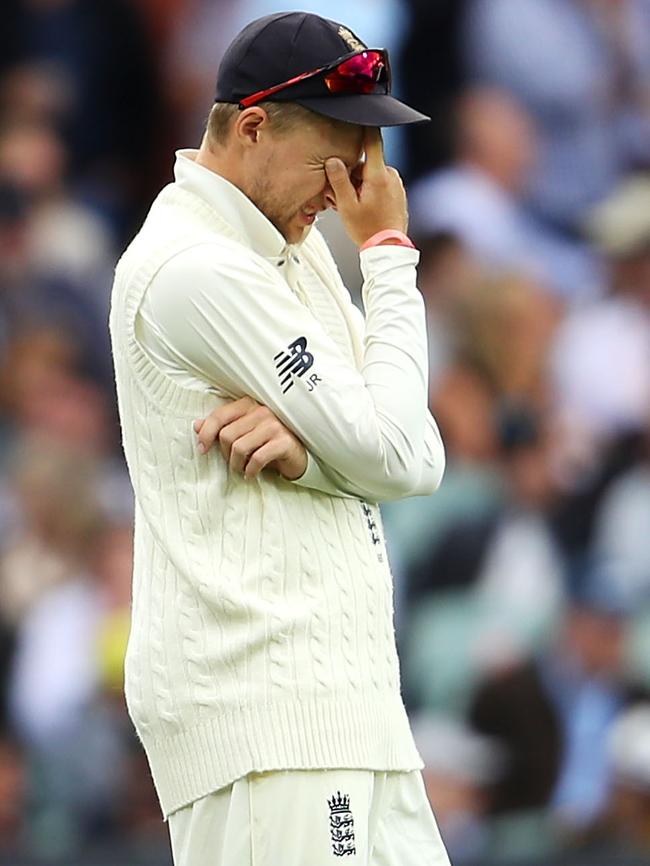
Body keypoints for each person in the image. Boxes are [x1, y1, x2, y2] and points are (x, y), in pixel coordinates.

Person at [109, 11, 448, 866]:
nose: (349, 188)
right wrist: (391, 252)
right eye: (333, 157)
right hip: (267, 716)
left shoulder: (286, 253)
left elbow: (417, 455)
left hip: (350, 709)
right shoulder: (199, 267)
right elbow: (393, 457)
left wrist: (309, 462)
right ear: (253, 126)